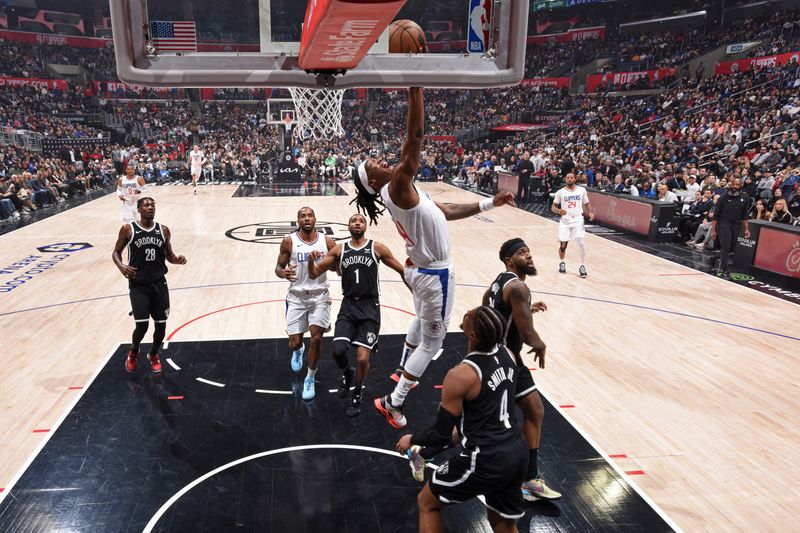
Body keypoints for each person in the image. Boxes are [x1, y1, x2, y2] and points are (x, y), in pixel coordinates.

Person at [351, 87, 515, 429]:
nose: (378, 160)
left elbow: (446, 211)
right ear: (372, 180)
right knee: (433, 341)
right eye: (372, 164)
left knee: (422, 319)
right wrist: (416, 89)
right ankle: (393, 403)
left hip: (423, 270)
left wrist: (490, 203)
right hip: (434, 275)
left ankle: (401, 366)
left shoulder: (401, 189)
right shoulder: (396, 184)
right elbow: (414, 138)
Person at [395, 306, 527, 533]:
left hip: (485, 459)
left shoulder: (461, 375)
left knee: (427, 503)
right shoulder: (509, 355)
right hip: (516, 452)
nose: (467, 311)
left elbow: (440, 434)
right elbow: (491, 406)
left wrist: (411, 439)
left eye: (471, 314)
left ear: (472, 334)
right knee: (501, 520)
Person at [483, 238, 562, 501]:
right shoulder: (517, 286)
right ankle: (422, 450)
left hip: (508, 359)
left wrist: (525, 310)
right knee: (477, 423)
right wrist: (540, 344)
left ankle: (530, 479)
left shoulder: (500, 281)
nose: (528, 256)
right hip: (501, 363)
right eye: (521, 253)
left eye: (528, 252)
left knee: (534, 410)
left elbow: (487, 303)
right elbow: (528, 334)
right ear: (509, 260)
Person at [307, 213, 406, 416]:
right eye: (353, 221)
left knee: (362, 359)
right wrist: (310, 261)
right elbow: (314, 273)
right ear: (348, 226)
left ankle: (358, 393)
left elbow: (401, 269)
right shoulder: (340, 249)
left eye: (361, 220)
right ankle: (347, 373)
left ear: (366, 225)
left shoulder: (376, 247)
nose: (357, 223)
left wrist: (415, 288)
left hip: (370, 308)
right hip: (349, 307)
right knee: (337, 351)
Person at [112, 197, 187, 373]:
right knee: (142, 325)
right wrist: (122, 266)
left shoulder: (164, 230)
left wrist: (177, 260)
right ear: (139, 209)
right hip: (138, 285)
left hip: (159, 284)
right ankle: (133, 351)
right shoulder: (128, 229)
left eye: (153, 205)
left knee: (161, 325)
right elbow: (116, 252)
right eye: (146, 205)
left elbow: (169, 256)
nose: (151, 207)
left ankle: (153, 354)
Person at [274, 207, 335, 400]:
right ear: (298, 220)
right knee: (294, 343)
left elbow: (337, 266)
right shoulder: (289, 241)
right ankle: (298, 350)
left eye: (310, 216)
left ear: (315, 219)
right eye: (303, 216)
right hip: (297, 297)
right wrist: (281, 273)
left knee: (317, 339)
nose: (307, 219)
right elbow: (278, 267)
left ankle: (310, 378)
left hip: (320, 296)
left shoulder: (327, 241)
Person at [552, 172, 594, 277]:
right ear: (565, 179)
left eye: (571, 178)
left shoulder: (582, 190)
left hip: (578, 220)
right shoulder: (560, 192)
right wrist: (558, 211)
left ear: (575, 179)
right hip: (565, 221)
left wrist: (590, 212)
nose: (569, 179)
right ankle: (562, 262)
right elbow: (553, 207)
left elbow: (586, 204)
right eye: (568, 178)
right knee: (563, 245)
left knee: (581, 243)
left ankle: (582, 265)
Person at [710, 177, 750, 279]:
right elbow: (715, 215)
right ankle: (724, 270)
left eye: (737, 185)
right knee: (726, 246)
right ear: (730, 185)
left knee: (730, 249)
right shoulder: (723, 197)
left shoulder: (745, 197)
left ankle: (714, 258)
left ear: (741, 186)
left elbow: (745, 215)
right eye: (733, 184)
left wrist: (746, 229)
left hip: (736, 225)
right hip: (723, 224)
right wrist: (713, 230)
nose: (735, 187)